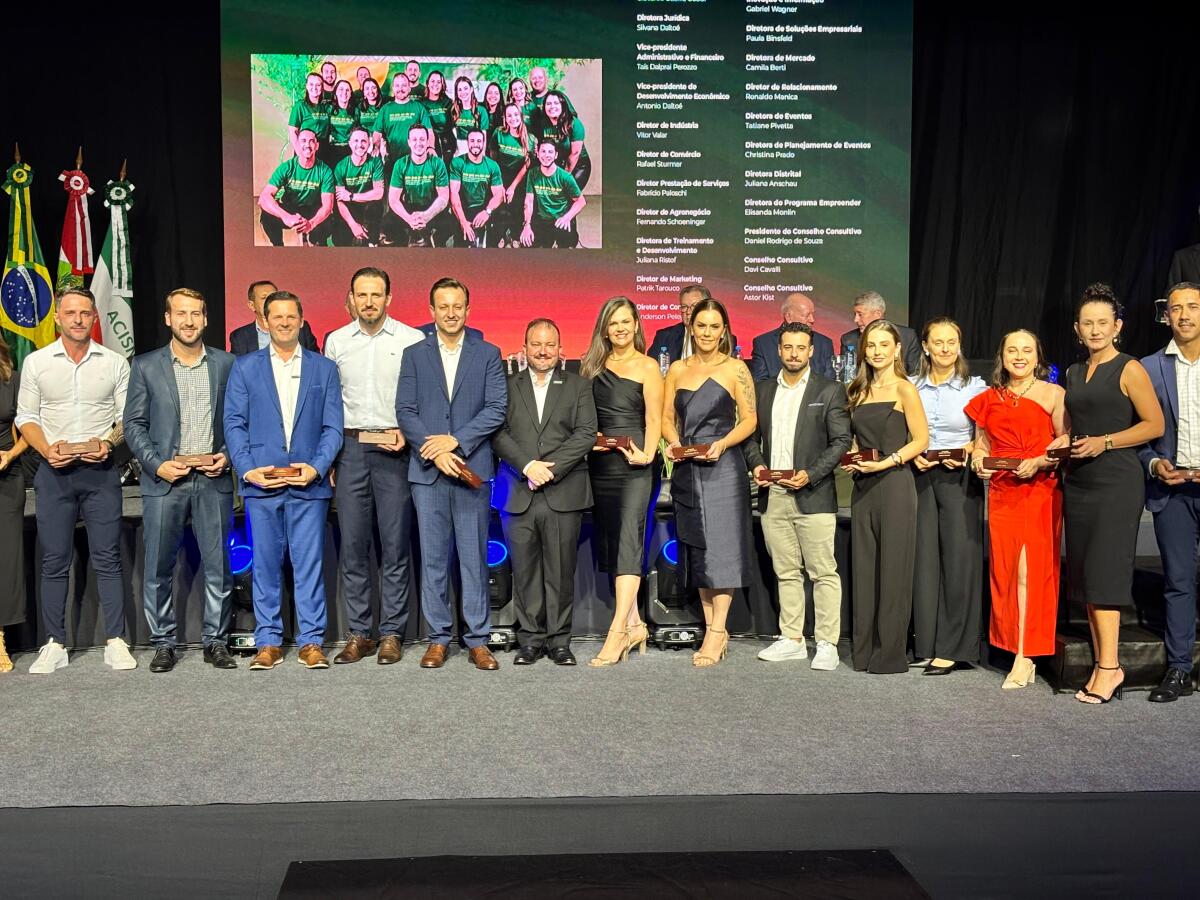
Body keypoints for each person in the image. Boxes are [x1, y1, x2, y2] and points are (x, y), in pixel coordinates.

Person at [1050, 285, 1163, 704]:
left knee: (1106, 574)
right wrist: (1062, 445)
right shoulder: (1074, 371)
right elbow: (1074, 426)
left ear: (1117, 327)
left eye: (1103, 323)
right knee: (1087, 576)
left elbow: (1153, 425)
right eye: (1087, 323)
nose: (1095, 330)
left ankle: (1111, 667)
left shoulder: (1129, 368)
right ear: (1077, 329)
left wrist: (1106, 442)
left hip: (1116, 481)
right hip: (1080, 481)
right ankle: (1103, 664)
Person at [16, 288, 135, 674]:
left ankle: (115, 640)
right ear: (57, 317)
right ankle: (55, 642)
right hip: (54, 473)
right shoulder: (37, 362)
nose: (78, 319)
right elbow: (26, 417)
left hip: (101, 472)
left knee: (108, 556)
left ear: (95, 316)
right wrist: (46, 449)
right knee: (54, 559)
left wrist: (108, 443)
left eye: (85, 312)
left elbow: (127, 417)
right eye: (70, 313)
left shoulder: (114, 362)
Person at [224, 291, 344, 670]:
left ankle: (311, 642)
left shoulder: (324, 369)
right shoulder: (245, 367)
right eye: (277, 316)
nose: (284, 323)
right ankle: (268, 641)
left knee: (309, 566)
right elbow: (234, 423)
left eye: (291, 316)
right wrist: (247, 469)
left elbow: (333, 428)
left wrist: (318, 467)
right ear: (265, 320)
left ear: (301, 320)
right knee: (265, 566)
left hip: (309, 484)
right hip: (261, 484)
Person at [123, 288, 238, 672]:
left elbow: (239, 420)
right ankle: (163, 643)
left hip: (212, 479)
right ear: (168, 319)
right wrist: (156, 465)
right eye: (181, 313)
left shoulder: (226, 364)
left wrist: (227, 455)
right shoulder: (146, 366)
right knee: (158, 567)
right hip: (165, 481)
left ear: (205, 319)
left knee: (219, 567)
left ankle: (216, 641)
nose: (189, 321)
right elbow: (133, 424)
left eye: (196, 314)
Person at [396, 278, 507, 671]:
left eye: (457, 305)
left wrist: (455, 443)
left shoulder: (488, 353)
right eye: (443, 306)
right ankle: (438, 638)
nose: (450, 313)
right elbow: (405, 410)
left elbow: (496, 409)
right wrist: (436, 451)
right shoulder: (414, 354)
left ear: (468, 309)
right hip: (428, 473)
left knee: (474, 558)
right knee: (433, 560)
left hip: (471, 469)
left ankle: (477, 640)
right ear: (431, 311)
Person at [324, 268, 424, 665]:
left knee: (395, 546)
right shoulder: (336, 341)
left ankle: (392, 633)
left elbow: (422, 400)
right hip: (350, 450)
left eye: (376, 294)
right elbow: (329, 403)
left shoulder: (411, 340)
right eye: (362, 295)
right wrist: (332, 454)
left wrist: (408, 434)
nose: (369, 302)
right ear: (351, 298)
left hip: (395, 450)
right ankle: (360, 633)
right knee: (353, 547)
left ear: (389, 298)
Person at [745, 322, 851, 670]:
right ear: (779, 350)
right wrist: (757, 465)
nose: (793, 354)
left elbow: (841, 441)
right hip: (773, 494)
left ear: (811, 351)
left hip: (813, 493)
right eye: (788, 347)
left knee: (823, 572)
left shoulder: (830, 390)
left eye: (800, 348)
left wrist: (811, 474)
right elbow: (750, 439)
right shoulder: (762, 390)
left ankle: (827, 643)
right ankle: (791, 639)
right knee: (786, 571)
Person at [493, 319, 597, 665]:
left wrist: (548, 469)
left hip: (563, 491)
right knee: (524, 572)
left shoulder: (578, 386)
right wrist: (527, 466)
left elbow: (586, 434)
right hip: (517, 491)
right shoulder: (507, 385)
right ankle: (530, 641)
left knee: (560, 572)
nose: (542, 351)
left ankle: (559, 642)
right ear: (524, 348)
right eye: (536, 344)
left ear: (560, 349)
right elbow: (497, 432)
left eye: (550, 345)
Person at [965, 330, 1066, 689]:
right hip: (1003, 492)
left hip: (1040, 491)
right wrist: (979, 460)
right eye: (1012, 350)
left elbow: (1065, 439)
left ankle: (1026, 655)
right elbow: (981, 443)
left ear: (1037, 357)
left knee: (1030, 572)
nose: (1019, 356)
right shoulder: (988, 398)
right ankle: (1012, 645)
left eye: (1026, 350)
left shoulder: (1053, 394)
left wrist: (1040, 460)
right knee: (1006, 572)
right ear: (1002, 356)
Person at [661, 298, 758, 667]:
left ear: (724, 330)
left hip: (723, 467)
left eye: (714, 326)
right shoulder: (677, 370)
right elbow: (666, 418)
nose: (707, 333)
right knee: (699, 549)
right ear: (691, 327)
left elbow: (749, 420)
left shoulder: (736, 369)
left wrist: (723, 443)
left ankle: (717, 631)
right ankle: (711, 627)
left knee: (724, 550)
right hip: (688, 468)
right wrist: (674, 443)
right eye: (701, 325)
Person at [840, 319, 929, 674]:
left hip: (895, 485)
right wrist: (854, 457)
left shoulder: (905, 389)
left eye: (883, 345)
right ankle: (863, 652)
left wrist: (887, 463)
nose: (877, 352)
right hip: (864, 487)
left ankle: (889, 654)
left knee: (893, 570)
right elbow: (854, 439)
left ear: (897, 350)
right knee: (864, 570)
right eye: (871, 345)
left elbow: (921, 440)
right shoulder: (856, 391)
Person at [579, 297, 662, 666]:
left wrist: (648, 453)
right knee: (614, 543)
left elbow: (655, 419)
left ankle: (616, 634)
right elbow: (584, 418)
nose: (620, 329)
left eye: (626, 321)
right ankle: (635, 624)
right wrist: (591, 440)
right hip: (601, 466)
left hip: (635, 466)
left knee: (629, 541)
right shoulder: (591, 366)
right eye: (613, 323)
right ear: (605, 328)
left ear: (636, 324)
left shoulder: (648, 366)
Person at [909, 318, 988, 674]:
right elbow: (903, 432)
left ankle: (955, 647)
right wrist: (913, 453)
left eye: (951, 342)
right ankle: (926, 643)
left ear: (959, 345)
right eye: (938, 342)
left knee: (959, 561)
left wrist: (966, 450)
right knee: (924, 560)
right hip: (920, 475)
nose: (945, 348)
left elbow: (983, 437)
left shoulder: (975, 387)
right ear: (925, 346)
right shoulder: (911, 386)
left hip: (959, 478)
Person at [1139, 281, 1200, 702]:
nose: (1184, 315)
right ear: (1166, 316)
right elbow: (1138, 435)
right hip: (1173, 491)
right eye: (1176, 308)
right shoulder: (1148, 367)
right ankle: (1179, 669)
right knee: (1178, 582)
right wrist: (1154, 463)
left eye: (1193, 306)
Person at [0, 336, 29, 673]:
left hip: (7, 476)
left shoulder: (12, 378)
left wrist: (10, 454)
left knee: (6, 559)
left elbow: (29, 429)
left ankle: (0, 638)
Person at [257, 128, 335, 247]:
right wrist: (286, 217)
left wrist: (311, 224)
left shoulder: (325, 171)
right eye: (303, 141)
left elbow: (328, 206)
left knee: (328, 221)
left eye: (311, 141)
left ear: (317, 146)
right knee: (266, 216)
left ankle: (315, 240)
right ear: (297, 144)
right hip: (291, 208)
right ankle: (278, 245)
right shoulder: (286, 167)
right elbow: (263, 198)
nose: (307, 145)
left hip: (312, 208)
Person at [382, 124, 451, 247]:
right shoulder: (400, 164)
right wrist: (409, 219)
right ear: (409, 142)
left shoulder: (437, 163)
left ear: (427, 141)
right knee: (387, 223)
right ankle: (403, 241)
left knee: (451, 223)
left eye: (422, 139)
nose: (418, 143)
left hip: (431, 207)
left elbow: (443, 198)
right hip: (410, 209)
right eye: (414, 139)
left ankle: (436, 241)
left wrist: (426, 216)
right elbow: (393, 200)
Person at [748, 292, 835, 381]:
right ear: (788, 317)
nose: (812, 320)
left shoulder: (824, 344)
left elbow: (830, 382)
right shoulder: (763, 344)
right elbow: (760, 384)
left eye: (812, 314)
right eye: (807, 315)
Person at [650, 284, 740, 365]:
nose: (688, 312)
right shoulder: (664, 336)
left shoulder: (725, 339)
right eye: (684, 307)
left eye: (694, 306)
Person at [520, 140, 585, 249]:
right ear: (538, 154)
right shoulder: (533, 173)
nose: (546, 155)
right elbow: (529, 201)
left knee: (566, 247)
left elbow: (581, 201)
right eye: (543, 151)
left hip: (560, 220)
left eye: (550, 152)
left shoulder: (565, 177)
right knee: (526, 243)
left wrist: (567, 218)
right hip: (542, 220)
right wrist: (527, 225)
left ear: (556, 155)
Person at [838, 291, 922, 376]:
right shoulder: (849, 340)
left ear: (878, 314)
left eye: (860, 314)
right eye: (855, 314)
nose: (855, 320)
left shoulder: (907, 336)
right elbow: (845, 376)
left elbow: (916, 374)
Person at [229, 280, 320, 355]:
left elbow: (316, 361)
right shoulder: (240, 336)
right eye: (264, 298)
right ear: (251, 305)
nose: (270, 301)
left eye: (273, 297)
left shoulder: (300, 328)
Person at [489, 102, 535, 248]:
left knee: (517, 205)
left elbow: (526, 166)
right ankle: (500, 234)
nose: (512, 118)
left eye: (515, 115)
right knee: (500, 205)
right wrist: (500, 185)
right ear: (505, 118)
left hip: (519, 179)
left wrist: (513, 187)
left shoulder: (530, 139)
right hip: (500, 176)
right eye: (509, 115)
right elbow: (493, 161)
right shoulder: (498, 133)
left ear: (521, 116)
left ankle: (515, 234)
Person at [450, 128, 504, 247]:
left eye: (479, 141)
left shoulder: (492, 165)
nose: (475, 144)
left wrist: (487, 212)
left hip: (483, 208)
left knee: (486, 248)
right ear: (467, 142)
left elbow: (499, 194)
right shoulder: (457, 162)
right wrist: (463, 222)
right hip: (464, 209)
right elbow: (454, 194)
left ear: (483, 143)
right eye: (472, 141)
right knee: (461, 248)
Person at [372, 72, 432, 180]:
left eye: (404, 85)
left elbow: (429, 131)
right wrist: (376, 146)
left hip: (415, 161)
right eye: (397, 85)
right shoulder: (385, 109)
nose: (400, 89)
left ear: (409, 88)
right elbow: (377, 133)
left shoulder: (419, 108)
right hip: (392, 161)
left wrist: (430, 147)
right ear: (393, 88)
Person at [331, 128, 385, 247]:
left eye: (363, 141)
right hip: (349, 209)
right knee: (340, 238)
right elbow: (340, 200)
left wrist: (351, 196)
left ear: (369, 144)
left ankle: (372, 243)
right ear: (350, 143)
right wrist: (353, 224)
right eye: (356, 141)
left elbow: (379, 193)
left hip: (368, 207)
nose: (360, 145)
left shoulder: (375, 162)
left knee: (375, 207)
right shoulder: (341, 166)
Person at [531, 90, 590, 191]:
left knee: (565, 195)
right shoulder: (542, 124)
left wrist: (562, 178)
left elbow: (575, 154)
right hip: (557, 163)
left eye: (556, 103)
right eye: (548, 104)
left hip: (577, 165)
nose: (552, 106)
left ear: (563, 105)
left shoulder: (574, 124)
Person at [287, 73, 331, 157]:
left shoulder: (326, 107)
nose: (314, 88)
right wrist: (300, 154)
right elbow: (293, 132)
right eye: (311, 84)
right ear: (306, 86)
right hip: (306, 148)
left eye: (318, 85)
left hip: (323, 148)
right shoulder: (300, 106)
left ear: (322, 88)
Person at [420, 70, 455, 164]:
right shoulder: (421, 104)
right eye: (432, 81)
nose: (435, 84)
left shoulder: (448, 102)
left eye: (438, 82)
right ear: (427, 84)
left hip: (448, 143)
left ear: (442, 85)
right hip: (429, 144)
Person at [450, 75, 488, 157]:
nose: (463, 92)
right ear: (457, 93)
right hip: (460, 150)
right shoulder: (454, 110)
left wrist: (482, 154)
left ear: (471, 89)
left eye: (465, 88)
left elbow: (484, 135)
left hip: (476, 148)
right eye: (459, 90)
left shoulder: (481, 110)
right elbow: (453, 134)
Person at [322, 79, 358, 168]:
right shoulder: (328, 109)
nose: (344, 93)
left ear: (351, 93)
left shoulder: (356, 111)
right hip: (331, 150)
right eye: (341, 89)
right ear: (335, 92)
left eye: (347, 90)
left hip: (350, 150)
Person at [355, 78, 386, 156]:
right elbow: (356, 126)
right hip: (365, 141)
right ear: (364, 92)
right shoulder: (359, 107)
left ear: (378, 90)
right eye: (367, 88)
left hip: (382, 141)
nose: (371, 91)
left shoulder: (385, 107)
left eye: (373, 88)